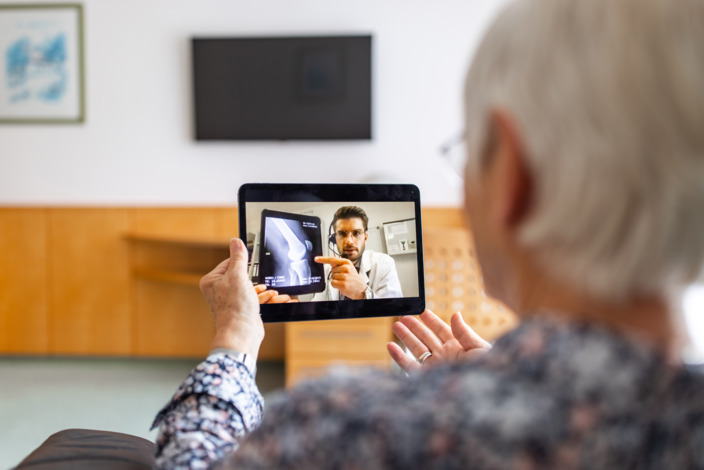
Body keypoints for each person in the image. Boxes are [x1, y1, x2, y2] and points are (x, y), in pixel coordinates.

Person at [152, 0, 704, 468]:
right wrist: (491, 384)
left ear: (512, 176)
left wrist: (235, 339)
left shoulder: (343, 429)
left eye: (468, 153)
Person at [313, 205, 403, 300]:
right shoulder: (326, 270)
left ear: (365, 237)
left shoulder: (384, 263)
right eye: (342, 233)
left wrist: (362, 294)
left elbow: (394, 311)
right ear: (335, 238)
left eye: (356, 233)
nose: (349, 241)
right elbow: (316, 308)